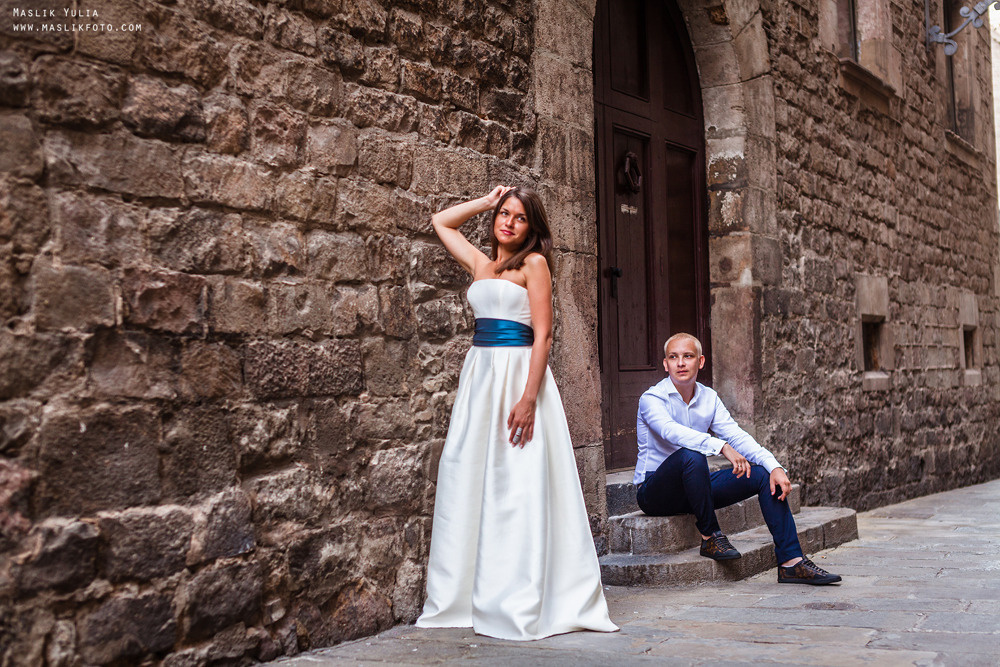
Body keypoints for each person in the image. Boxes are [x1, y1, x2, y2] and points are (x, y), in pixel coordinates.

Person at [416, 186, 618, 639]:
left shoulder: (534, 264)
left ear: (532, 228)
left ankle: (517, 596)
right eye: (504, 214)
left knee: (516, 481)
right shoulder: (481, 264)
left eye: (519, 217)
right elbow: (441, 222)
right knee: (466, 473)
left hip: (519, 378)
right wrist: (486, 202)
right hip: (480, 379)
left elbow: (543, 336)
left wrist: (528, 399)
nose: (507, 222)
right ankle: (464, 592)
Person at [635, 333, 842, 585]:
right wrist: (721, 446)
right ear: (665, 364)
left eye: (687, 356)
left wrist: (774, 465)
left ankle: (791, 562)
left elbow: (737, 435)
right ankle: (710, 536)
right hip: (655, 492)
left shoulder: (709, 398)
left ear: (700, 362)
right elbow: (671, 432)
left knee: (764, 476)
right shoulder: (652, 399)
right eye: (673, 357)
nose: (680, 363)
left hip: (695, 489)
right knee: (691, 456)